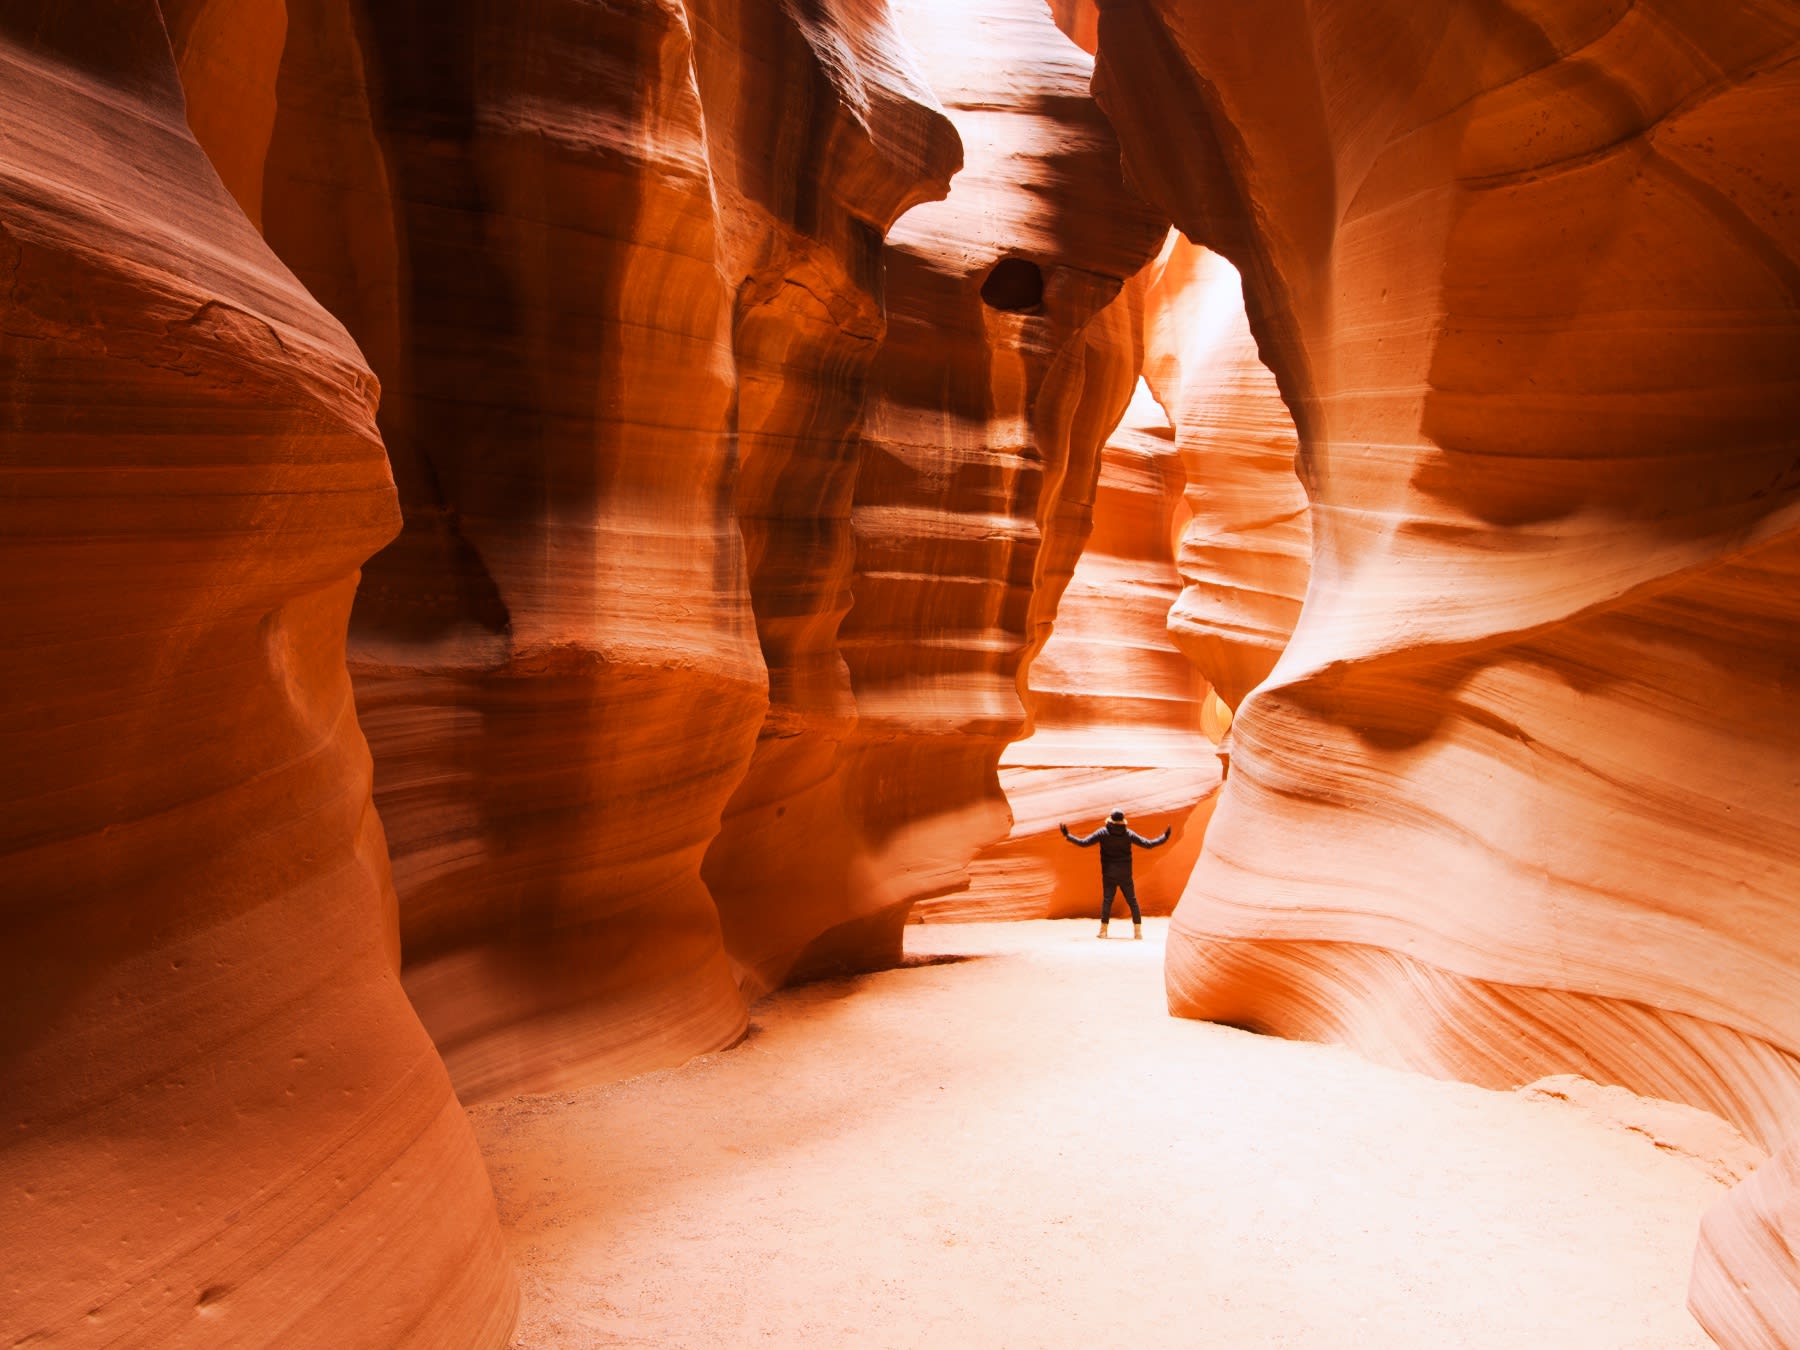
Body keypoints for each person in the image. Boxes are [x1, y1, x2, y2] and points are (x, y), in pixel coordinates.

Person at [1059, 809, 1171, 939]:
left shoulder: (1103, 832)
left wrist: (1068, 835)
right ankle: (1138, 933)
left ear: (1111, 820)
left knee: (1107, 901)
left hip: (1109, 874)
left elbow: (1084, 843)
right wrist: (1165, 837)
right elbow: (1148, 844)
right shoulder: (1128, 834)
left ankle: (1103, 931)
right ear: (1122, 822)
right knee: (1132, 901)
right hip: (1125, 874)